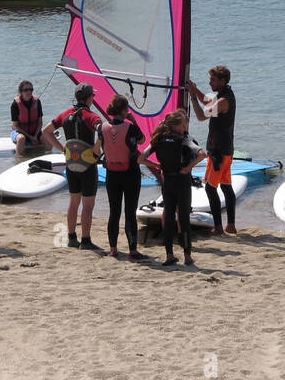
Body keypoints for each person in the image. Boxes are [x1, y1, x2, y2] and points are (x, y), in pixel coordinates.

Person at [142, 110, 205, 267]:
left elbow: (140, 158)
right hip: (182, 181)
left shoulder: (158, 138)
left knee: (169, 218)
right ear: (178, 125)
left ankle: (169, 255)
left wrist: (157, 166)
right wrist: (188, 168)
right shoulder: (185, 139)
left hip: (167, 181)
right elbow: (202, 154)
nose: (185, 126)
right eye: (184, 123)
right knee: (183, 219)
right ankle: (187, 256)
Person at [50, 83, 102, 250]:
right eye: (92, 96)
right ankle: (86, 240)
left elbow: (46, 131)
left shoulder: (65, 114)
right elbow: (103, 131)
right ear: (89, 98)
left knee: (73, 202)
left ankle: (72, 238)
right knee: (88, 205)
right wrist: (96, 149)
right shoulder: (92, 116)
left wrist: (62, 148)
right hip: (87, 165)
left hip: (71, 164)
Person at [188, 65, 237, 235]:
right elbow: (207, 101)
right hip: (226, 150)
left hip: (218, 152)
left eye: (213, 80)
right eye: (209, 79)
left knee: (210, 187)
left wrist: (192, 97)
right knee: (225, 186)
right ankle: (230, 225)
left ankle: (218, 227)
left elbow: (201, 116)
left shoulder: (223, 101)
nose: (210, 83)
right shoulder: (224, 95)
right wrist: (195, 90)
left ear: (223, 81)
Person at [99, 95, 147, 260]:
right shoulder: (130, 127)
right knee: (130, 212)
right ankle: (132, 251)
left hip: (112, 174)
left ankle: (113, 249)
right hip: (130, 174)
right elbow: (142, 140)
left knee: (114, 212)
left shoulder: (101, 127)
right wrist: (133, 120)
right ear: (125, 110)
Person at [10, 80, 44, 158]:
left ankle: (45, 157)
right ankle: (18, 159)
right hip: (20, 132)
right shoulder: (15, 104)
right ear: (21, 91)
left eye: (31, 89)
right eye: (26, 90)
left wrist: (35, 136)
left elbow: (40, 123)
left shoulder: (37, 102)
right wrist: (30, 137)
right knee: (21, 138)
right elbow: (15, 126)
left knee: (47, 140)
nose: (29, 92)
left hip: (34, 132)